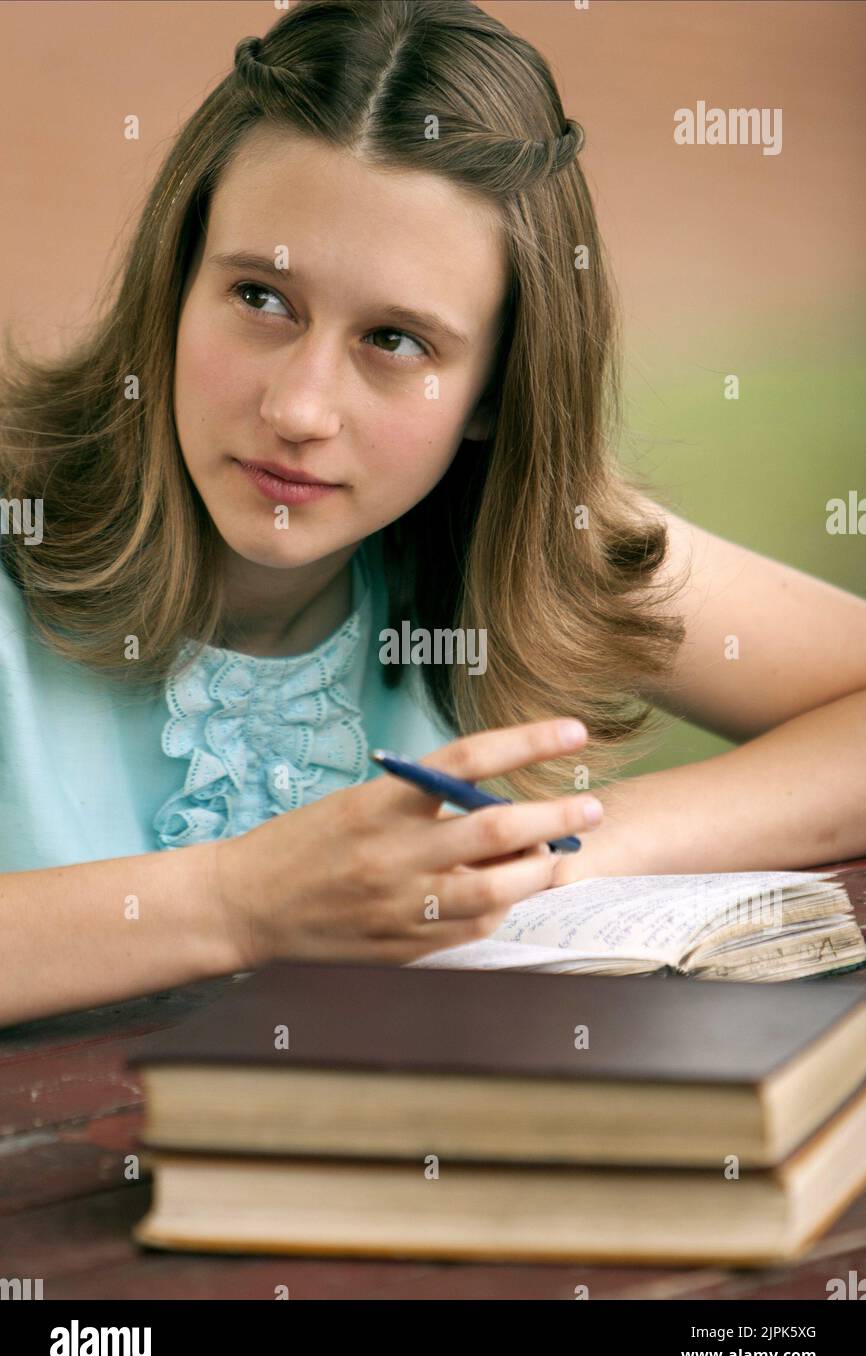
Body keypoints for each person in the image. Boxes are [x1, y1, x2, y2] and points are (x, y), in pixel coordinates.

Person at [2, 1, 864, 1028]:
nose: (299, 409)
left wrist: (542, 851)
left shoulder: (522, 533)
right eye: (261, 299)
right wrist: (237, 903)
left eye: (397, 341)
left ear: (495, 392)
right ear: (176, 280)